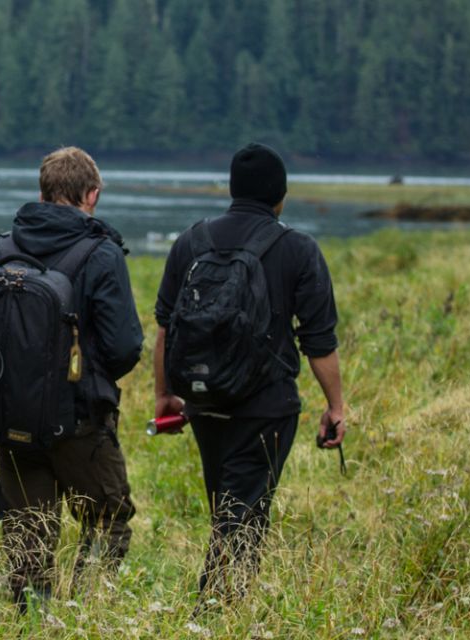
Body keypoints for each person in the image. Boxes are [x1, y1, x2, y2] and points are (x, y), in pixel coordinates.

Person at [152, 143, 346, 602]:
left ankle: (221, 607)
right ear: (281, 196)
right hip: (266, 408)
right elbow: (319, 342)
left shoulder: (191, 241)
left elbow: (165, 326)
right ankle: (215, 612)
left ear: (232, 190)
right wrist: (336, 406)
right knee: (242, 516)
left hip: (203, 401)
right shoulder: (299, 249)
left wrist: (164, 394)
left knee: (227, 506)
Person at [0, 147, 144, 607]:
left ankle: (34, 618)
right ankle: (82, 612)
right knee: (106, 519)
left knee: (28, 530)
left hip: (9, 418)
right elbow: (124, 346)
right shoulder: (103, 254)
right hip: (81, 420)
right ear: (93, 194)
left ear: (42, 193)